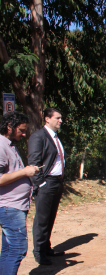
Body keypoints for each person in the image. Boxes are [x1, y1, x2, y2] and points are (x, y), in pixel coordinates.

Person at [0, 112, 39, 275]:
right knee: (17, 248)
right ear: (9, 126)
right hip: (9, 206)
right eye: (21, 130)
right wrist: (25, 172)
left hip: (15, 205)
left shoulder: (9, 145)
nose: (24, 134)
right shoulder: (0, 146)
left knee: (8, 249)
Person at [28, 108, 66, 265]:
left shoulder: (55, 137)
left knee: (50, 217)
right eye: (57, 118)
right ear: (47, 119)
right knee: (42, 219)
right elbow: (33, 162)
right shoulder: (39, 137)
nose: (60, 121)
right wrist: (41, 183)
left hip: (57, 182)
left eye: (61, 118)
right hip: (47, 182)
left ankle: (46, 247)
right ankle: (39, 252)